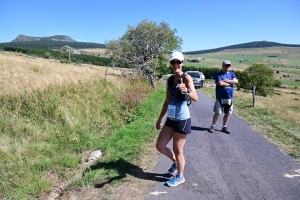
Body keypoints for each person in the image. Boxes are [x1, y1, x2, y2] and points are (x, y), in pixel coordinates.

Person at [155, 51, 198, 187]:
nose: (175, 65)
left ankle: (180, 176)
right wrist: (160, 118)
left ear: (182, 63)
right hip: (170, 119)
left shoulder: (187, 78)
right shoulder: (169, 80)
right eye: (173, 62)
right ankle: (175, 163)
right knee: (160, 145)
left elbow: (196, 97)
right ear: (170, 64)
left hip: (182, 120)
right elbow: (167, 102)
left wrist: (186, 91)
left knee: (178, 150)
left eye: (178, 62)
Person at [210, 60, 238, 134]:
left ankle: (224, 127)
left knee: (227, 113)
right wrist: (230, 84)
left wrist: (227, 81)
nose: (227, 67)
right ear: (222, 66)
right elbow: (220, 83)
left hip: (229, 97)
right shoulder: (219, 74)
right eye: (226, 65)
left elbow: (236, 81)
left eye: (229, 65)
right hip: (220, 97)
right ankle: (212, 126)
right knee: (218, 112)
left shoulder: (232, 74)